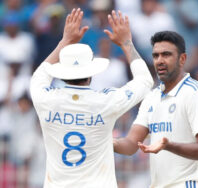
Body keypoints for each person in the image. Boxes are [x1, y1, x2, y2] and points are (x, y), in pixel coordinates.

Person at [30, 8, 153, 187]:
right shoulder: (105, 102)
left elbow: (39, 76)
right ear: (91, 74)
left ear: (63, 73)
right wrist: (126, 43)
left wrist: (65, 41)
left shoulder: (46, 99)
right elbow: (145, 81)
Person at [114, 31, 198, 188]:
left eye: (166, 55)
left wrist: (169, 146)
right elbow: (130, 145)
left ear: (182, 59)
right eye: (156, 56)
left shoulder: (195, 93)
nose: (160, 61)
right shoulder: (152, 97)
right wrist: (105, 142)